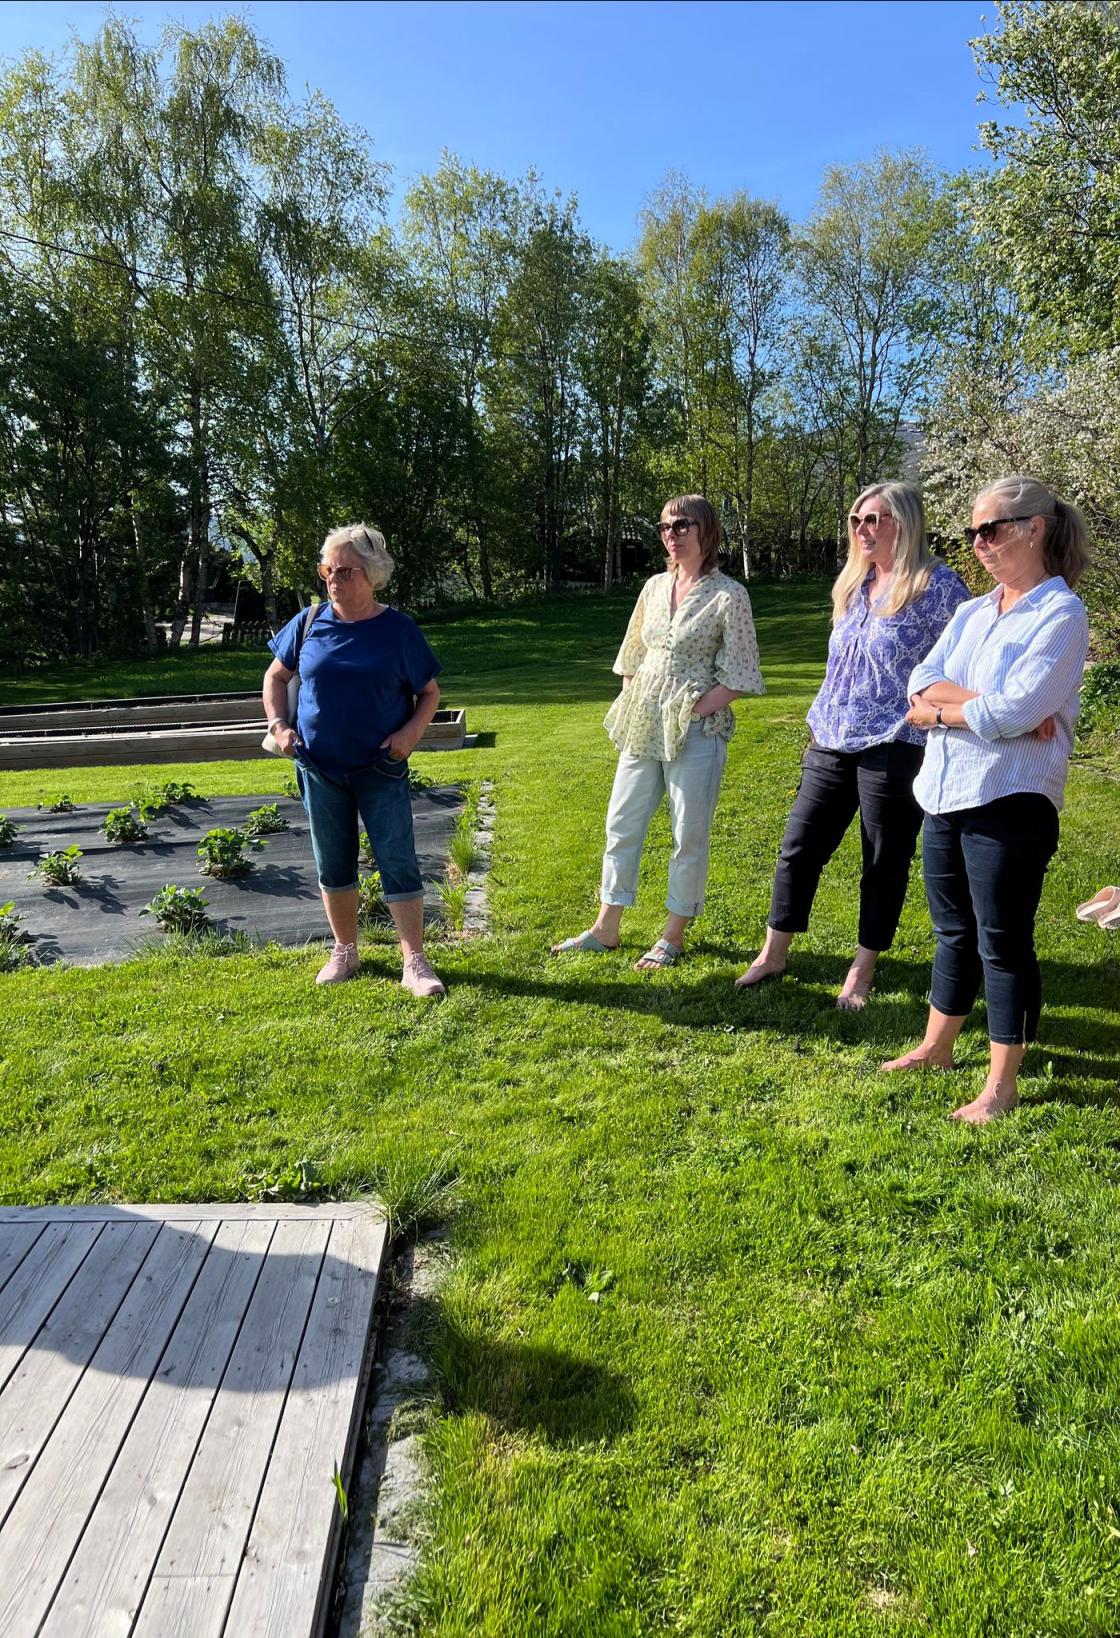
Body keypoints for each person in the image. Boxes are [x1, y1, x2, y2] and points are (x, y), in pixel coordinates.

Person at [882, 475, 1091, 1123]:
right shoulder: (973, 611)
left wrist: (945, 714)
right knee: (953, 931)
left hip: (1011, 799)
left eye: (991, 529)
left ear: (1035, 528)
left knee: (1003, 941)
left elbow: (1019, 709)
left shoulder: (1061, 614)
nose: (978, 542)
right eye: (972, 531)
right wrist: (991, 712)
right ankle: (937, 1047)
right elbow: (922, 680)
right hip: (944, 793)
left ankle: (1001, 1086)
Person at [735, 482, 969, 1007]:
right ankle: (773, 953)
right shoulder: (854, 584)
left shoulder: (938, 587)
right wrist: (819, 722)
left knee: (883, 859)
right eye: (856, 520)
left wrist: (945, 707)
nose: (862, 529)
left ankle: (863, 969)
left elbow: (967, 659)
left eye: (874, 519)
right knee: (799, 847)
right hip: (832, 737)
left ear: (904, 523)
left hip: (895, 740)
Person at [551, 495, 764, 969]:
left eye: (682, 525)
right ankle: (606, 928)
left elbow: (741, 673)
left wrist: (694, 709)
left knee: (687, 833)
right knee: (621, 823)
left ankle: (673, 934)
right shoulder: (652, 587)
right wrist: (636, 697)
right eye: (665, 526)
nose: (672, 534)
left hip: (696, 730)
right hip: (643, 724)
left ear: (706, 531)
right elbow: (632, 655)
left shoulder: (729, 595)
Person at [262, 523, 447, 997]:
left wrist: (409, 735)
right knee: (332, 861)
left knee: (397, 859)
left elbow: (429, 693)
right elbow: (275, 677)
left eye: (344, 571)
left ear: (373, 574)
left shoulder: (398, 630)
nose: (333, 579)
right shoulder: (308, 622)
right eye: (328, 570)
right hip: (318, 767)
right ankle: (345, 950)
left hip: (380, 766)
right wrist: (279, 726)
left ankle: (414, 961)